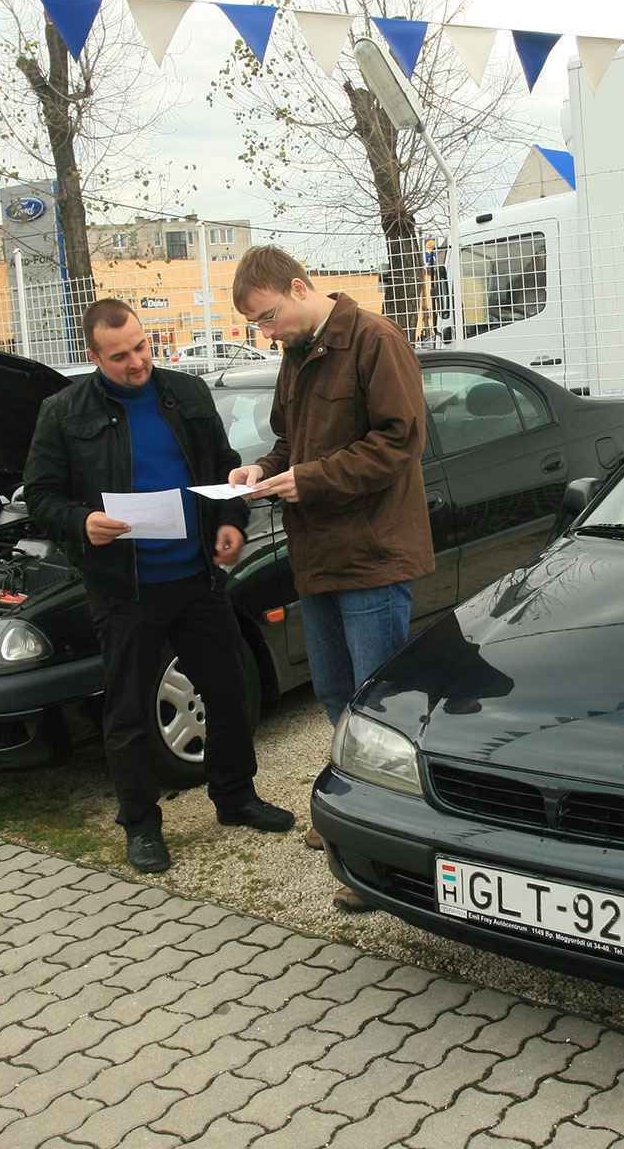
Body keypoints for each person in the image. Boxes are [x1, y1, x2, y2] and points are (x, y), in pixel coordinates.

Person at [23, 298, 294, 875]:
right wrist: (82, 523)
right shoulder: (64, 412)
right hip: (124, 589)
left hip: (196, 578)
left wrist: (228, 523)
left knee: (228, 692)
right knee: (125, 713)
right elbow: (41, 497)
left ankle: (235, 797)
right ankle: (141, 826)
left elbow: (222, 469)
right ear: (93, 356)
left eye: (142, 347)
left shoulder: (186, 395)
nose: (136, 363)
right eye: (119, 356)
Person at [228, 245, 433, 913]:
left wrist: (308, 478)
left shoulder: (375, 339)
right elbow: (293, 443)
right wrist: (262, 469)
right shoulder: (296, 356)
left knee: (378, 709)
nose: (267, 333)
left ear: (297, 286)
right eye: (259, 326)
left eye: (267, 317)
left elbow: (399, 442)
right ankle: (351, 814)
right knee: (336, 693)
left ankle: (387, 851)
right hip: (316, 555)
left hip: (373, 555)